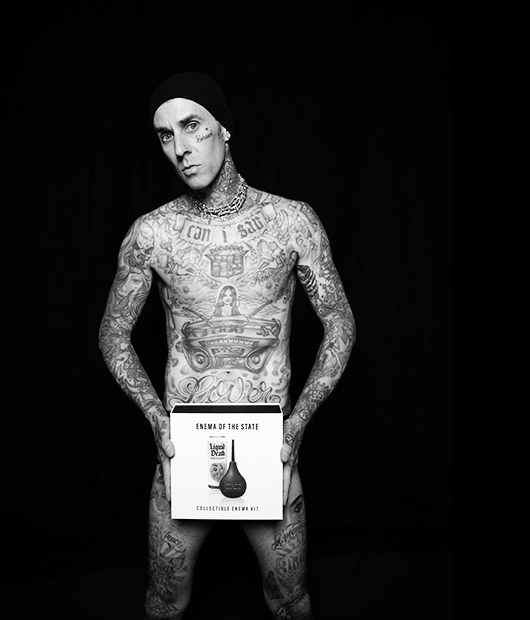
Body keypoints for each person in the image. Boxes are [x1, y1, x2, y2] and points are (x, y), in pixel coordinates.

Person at [99, 73, 356, 620]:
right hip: (184, 448)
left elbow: (339, 323)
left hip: (269, 446)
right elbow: (113, 333)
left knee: (290, 601)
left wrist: (297, 424)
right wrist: (157, 420)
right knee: (164, 601)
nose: (180, 148)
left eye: (192, 126)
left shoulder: (291, 222)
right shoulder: (152, 233)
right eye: (165, 135)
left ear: (224, 128)